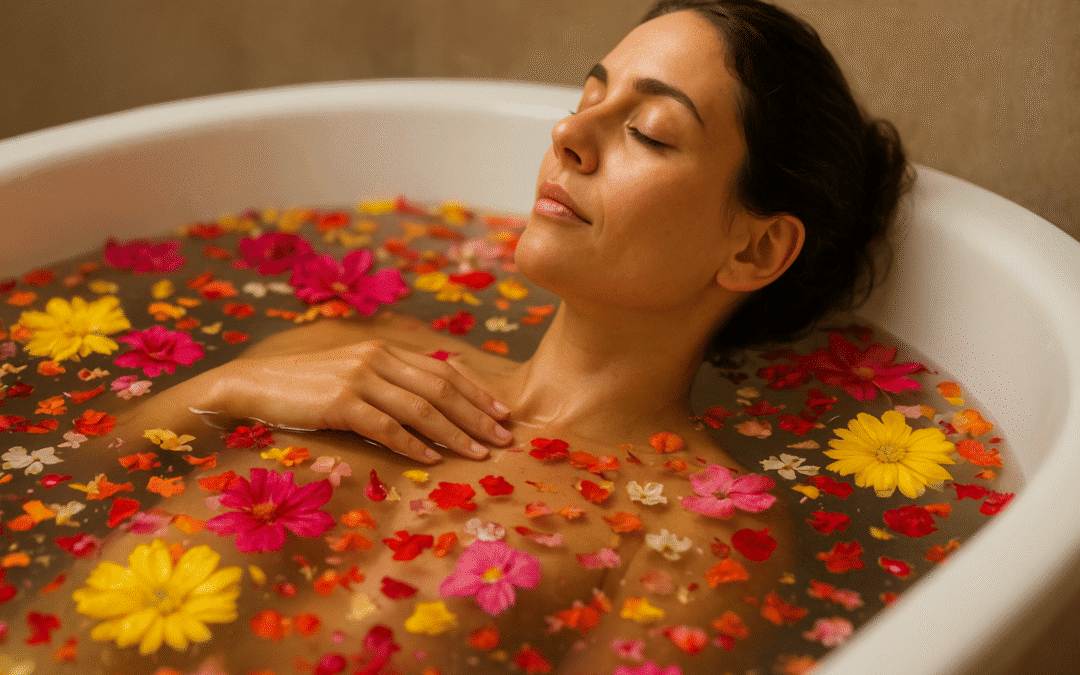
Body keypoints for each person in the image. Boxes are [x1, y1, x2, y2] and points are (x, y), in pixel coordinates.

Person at [9, 1, 911, 673]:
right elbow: (47, 506)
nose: (568, 134)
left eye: (647, 129)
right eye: (587, 96)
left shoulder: (699, 538)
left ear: (755, 247)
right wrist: (218, 392)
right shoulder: (335, 350)